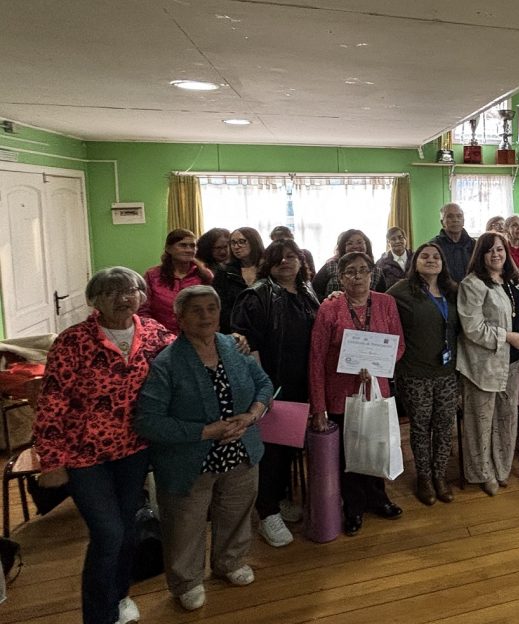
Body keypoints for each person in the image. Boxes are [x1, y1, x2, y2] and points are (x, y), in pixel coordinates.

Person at [33, 267, 176, 624]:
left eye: (129, 290)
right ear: (94, 300)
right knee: (108, 533)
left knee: (127, 528)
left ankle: (119, 595)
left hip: (134, 450)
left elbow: (187, 352)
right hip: (84, 455)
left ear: (141, 296)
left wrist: (232, 340)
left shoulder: (154, 333)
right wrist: (50, 462)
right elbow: (52, 403)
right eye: (110, 292)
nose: (122, 297)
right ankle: (98, 615)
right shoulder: (73, 341)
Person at [135, 286, 273, 611]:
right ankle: (187, 581)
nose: (206, 316)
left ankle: (230, 562)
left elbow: (264, 384)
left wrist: (251, 416)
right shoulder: (167, 363)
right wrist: (206, 431)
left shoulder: (232, 346)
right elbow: (149, 421)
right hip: (189, 460)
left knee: (236, 510)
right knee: (185, 523)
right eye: (197, 310)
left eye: (212, 308)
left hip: (240, 450)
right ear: (179, 317)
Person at [308, 251, 405, 535]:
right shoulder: (330, 308)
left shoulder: (387, 303)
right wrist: (318, 407)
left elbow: (398, 345)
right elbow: (316, 357)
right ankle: (353, 506)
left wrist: (378, 365)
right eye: (350, 271)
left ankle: (378, 498)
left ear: (372, 273)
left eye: (363, 270)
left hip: (376, 388)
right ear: (340, 277)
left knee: (376, 443)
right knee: (349, 452)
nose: (358, 276)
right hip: (341, 391)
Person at [230, 239, 320, 547]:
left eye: (292, 256)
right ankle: (267, 513)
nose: (286, 262)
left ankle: (279, 500)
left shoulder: (308, 292)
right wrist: (261, 388)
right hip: (272, 386)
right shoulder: (256, 295)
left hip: (302, 384)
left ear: (300, 261)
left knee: (289, 449)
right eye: (279, 258)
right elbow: (243, 341)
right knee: (271, 454)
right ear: (268, 263)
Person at [456, 231, 519, 495]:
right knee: (481, 421)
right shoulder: (472, 284)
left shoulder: (512, 281)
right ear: (480, 255)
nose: (496, 254)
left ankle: (501, 467)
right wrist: (507, 336)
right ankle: (482, 473)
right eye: (489, 250)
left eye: (500, 249)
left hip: (512, 364)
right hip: (483, 365)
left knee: (506, 418)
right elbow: (472, 328)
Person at [388, 243, 460, 505]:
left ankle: (440, 476)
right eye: (425, 256)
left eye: (436, 256)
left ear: (443, 263)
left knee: (443, 426)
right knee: (420, 427)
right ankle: (424, 478)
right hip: (414, 371)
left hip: (447, 372)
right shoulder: (401, 291)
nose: (431, 260)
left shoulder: (452, 291)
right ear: (415, 262)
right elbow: (373, 305)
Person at [139, 229, 213, 331]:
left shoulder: (205, 275)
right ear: (168, 249)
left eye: (192, 246)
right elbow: (142, 310)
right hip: (160, 338)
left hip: (197, 335)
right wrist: (157, 333)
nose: (189, 250)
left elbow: (213, 308)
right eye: (183, 245)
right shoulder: (152, 276)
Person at [212, 227, 265, 332]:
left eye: (242, 242)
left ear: (254, 242)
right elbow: (220, 305)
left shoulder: (267, 269)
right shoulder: (225, 271)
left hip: (265, 329)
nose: (236, 246)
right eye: (233, 243)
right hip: (234, 331)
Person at [312, 229, 379, 299]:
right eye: (350, 243)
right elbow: (315, 291)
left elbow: (381, 297)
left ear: (367, 245)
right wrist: (328, 300)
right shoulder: (331, 266)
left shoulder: (376, 270)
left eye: (359, 242)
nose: (355, 246)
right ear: (343, 247)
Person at [432, 202, 475, 282]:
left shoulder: (474, 245)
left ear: (463, 221)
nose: (455, 220)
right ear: (442, 222)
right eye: (450, 216)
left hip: (472, 291)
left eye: (459, 216)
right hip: (444, 292)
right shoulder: (433, 246)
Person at [374, 226, 412, 292]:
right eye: (393, 239)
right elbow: (379, 289)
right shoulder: (381, 263)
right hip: (393, 300)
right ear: (388, 243)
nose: (397, 241)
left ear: (405, 239)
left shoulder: (416, 258)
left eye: (400, 238)